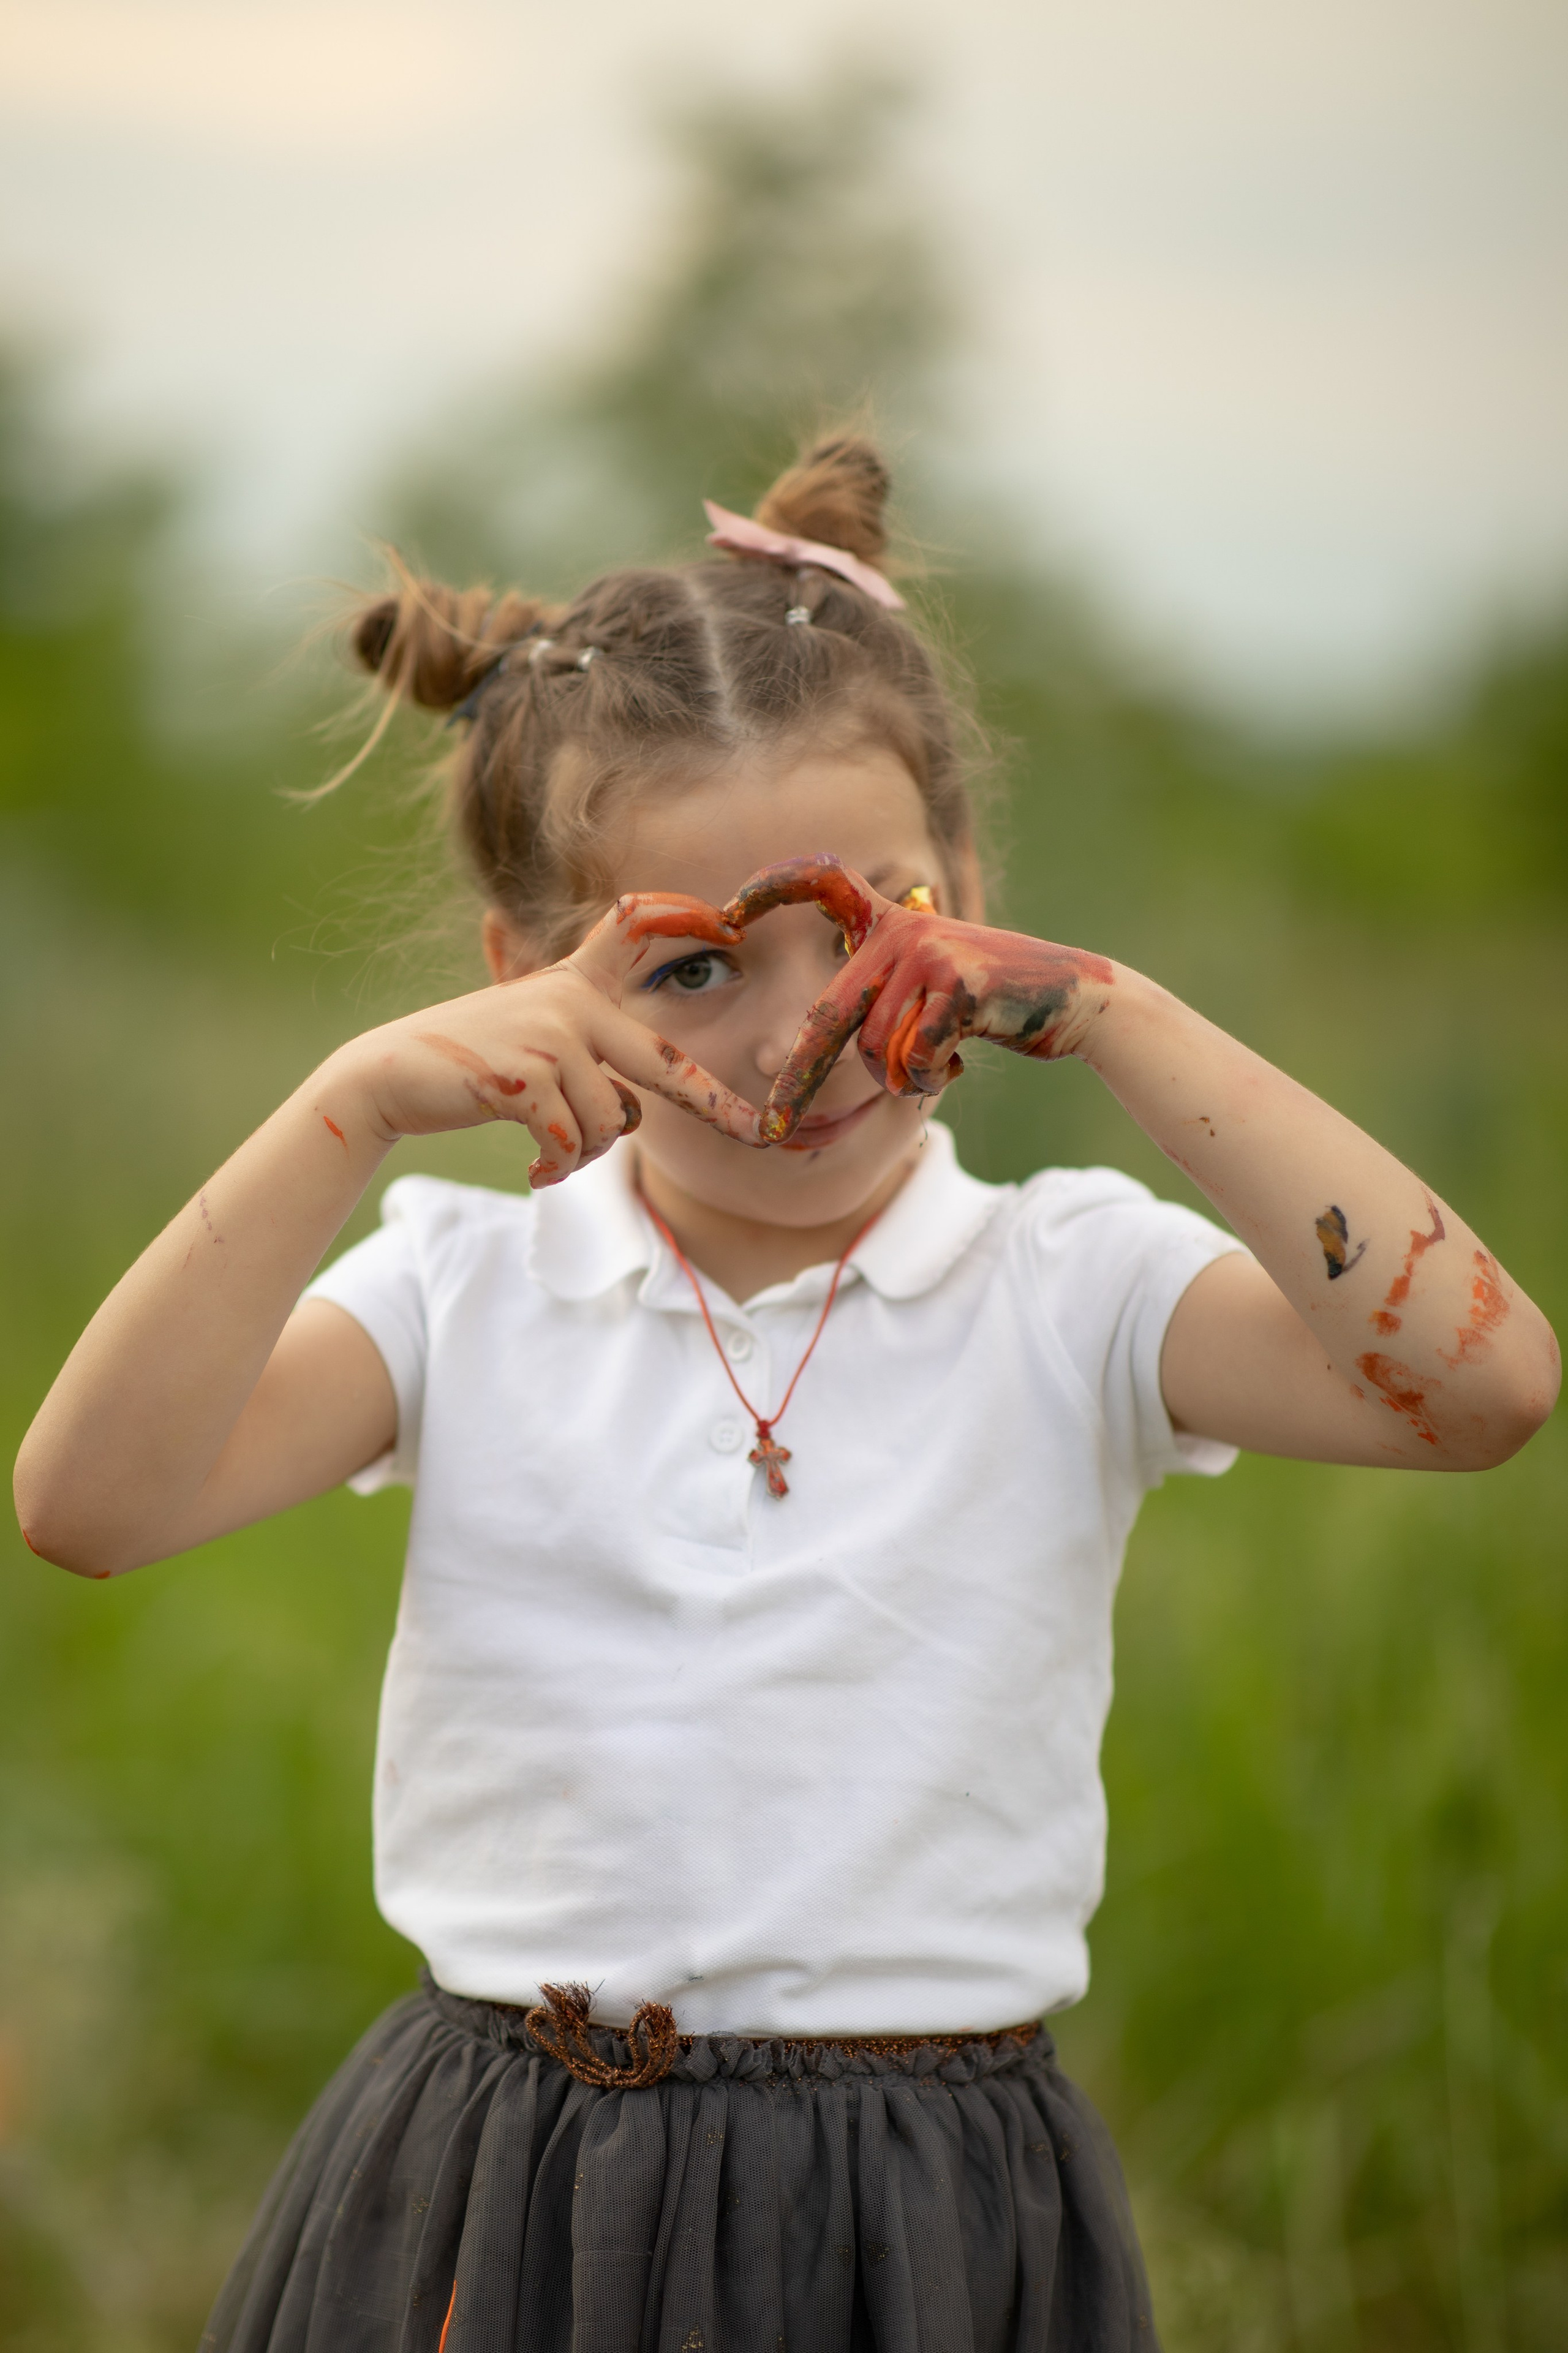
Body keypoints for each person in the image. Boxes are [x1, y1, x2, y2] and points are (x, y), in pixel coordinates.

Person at [13, 437, 1558, 2353]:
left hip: (919, 2209)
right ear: (523, 981)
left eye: (874, 925)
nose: (799, 1023)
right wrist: (348, 1105)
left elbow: (1485, 1385)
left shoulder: (1074, 1286)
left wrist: (1115, 1009)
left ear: (977, 902)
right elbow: (86, 1504)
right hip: (507, 2185)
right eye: (693, 965)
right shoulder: (461, 1283)